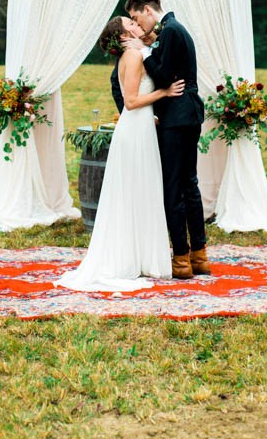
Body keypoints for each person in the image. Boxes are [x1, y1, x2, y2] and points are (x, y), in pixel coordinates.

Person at [55, 16, 184, 292]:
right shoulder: (133, 56)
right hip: (134, 130)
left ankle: (141, 257)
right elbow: (132, 101)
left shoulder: (134, 53)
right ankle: (131, 258)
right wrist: (164, 92)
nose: (138, 24)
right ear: (125, 34)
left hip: (140, 128)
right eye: (132, 24)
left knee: (140, 191)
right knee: (134, 191)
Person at [124, 0, 210, 279]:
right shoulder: (173, 29)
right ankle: (200, 255)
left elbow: (163, 76)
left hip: (177, 116)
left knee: (174, 187)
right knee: (190, 184)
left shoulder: (170, 31)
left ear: (147, 10)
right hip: (188, 114)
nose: (139, 25)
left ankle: (182, 259)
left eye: (137, 18)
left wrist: (144, 51)